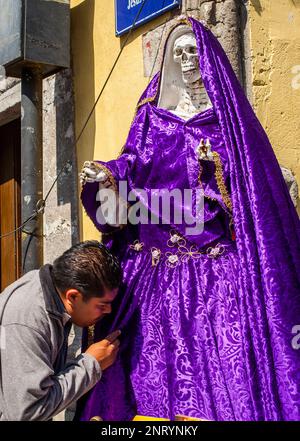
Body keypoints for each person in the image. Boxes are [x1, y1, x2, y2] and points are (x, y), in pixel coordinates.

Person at [78, 16, 300, 421]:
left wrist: (212, 175)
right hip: (153, 269)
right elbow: (131, 164)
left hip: (214, 272)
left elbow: (250, 182)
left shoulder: (227, 122)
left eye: (192, 50)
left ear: (208, 57)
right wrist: (105, 175)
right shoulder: (151, 118)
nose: (186, 59)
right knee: (144, 368)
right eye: (177, 52)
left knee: (221, 367)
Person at [0, 241, 122, 421]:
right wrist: (91, 364)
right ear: (73, 296)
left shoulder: (50, 289)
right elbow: (27, 413)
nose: (109, 311)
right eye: (102, 305)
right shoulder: (27, 321)